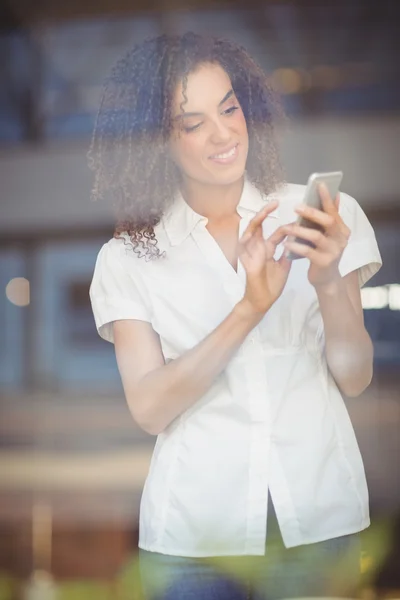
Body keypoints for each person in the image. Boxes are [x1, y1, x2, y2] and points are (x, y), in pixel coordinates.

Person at [89, 32, 382, 600]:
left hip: (318, 524)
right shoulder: (128, 257)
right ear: (157, 141)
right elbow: (149, 408)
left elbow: (356, 375)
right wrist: (249, 309)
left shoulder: (322, 215)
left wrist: (325, 281)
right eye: (192, 122)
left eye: (229, 107)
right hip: (193, 540)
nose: (224, 133)